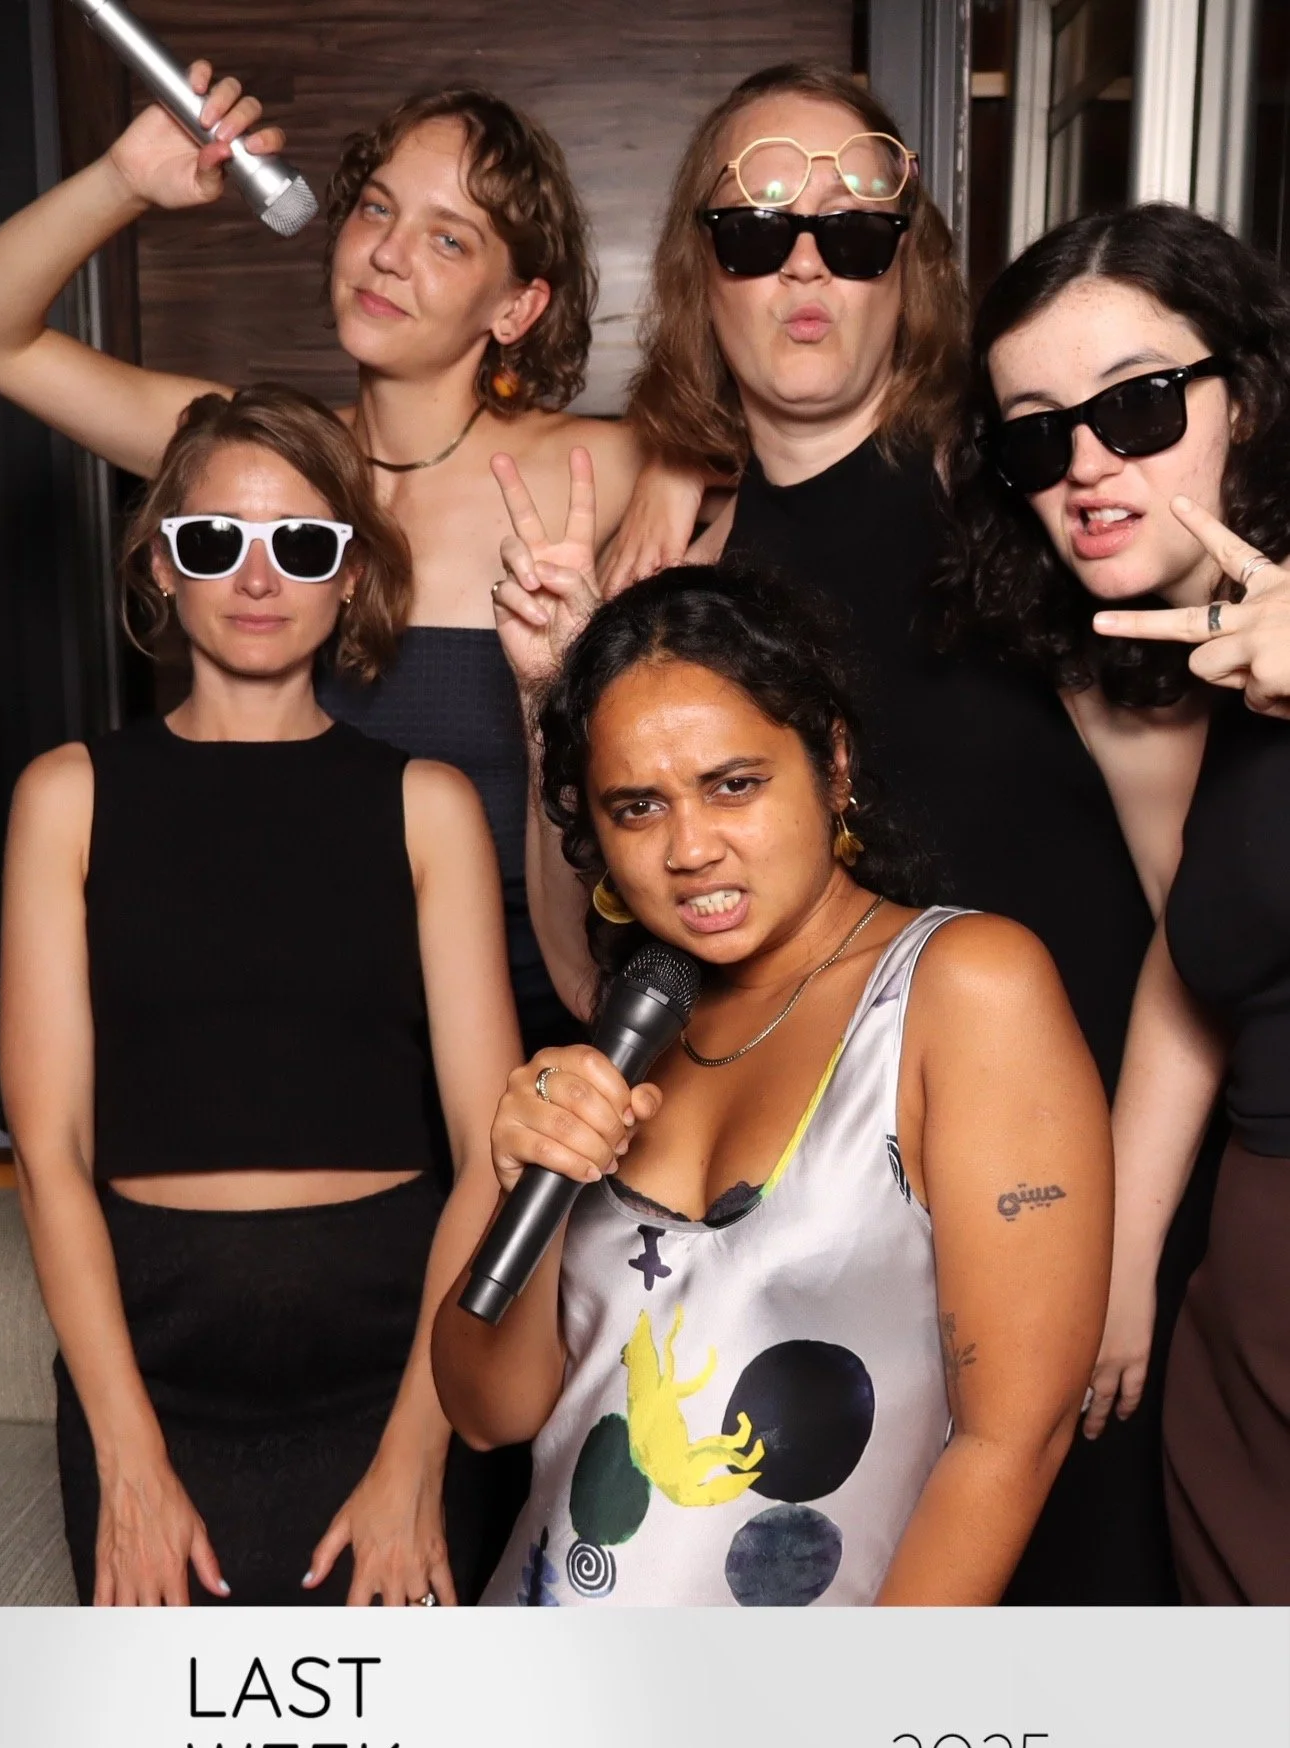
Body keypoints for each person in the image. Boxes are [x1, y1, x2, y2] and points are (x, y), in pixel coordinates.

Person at [488, 65, 1184, 1602]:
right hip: (812, 1260)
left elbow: (1185, 919)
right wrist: (553, 706)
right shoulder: (685, 567)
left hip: (1069, 1226)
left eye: (850, 233)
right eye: (755, 231)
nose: (804, 267)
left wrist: (1125, 1249)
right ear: (699, 276)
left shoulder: (1021, 521)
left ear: (907, 271)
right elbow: (600, 952)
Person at [431, 565, 1112, 1607]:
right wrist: (519, 1169)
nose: (690, 848)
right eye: (637, 806)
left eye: (732, 784)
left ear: (832, 763)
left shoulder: (961, 988)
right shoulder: (630, 1028)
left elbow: (1009, 1445)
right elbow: (489, 1412)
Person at [0, 65, 680, 1053]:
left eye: (447, 237)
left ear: (514, 307)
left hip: (534, 1027)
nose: (387, 255)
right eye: (375, 209)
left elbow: (791, 447)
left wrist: (687, 462)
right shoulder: (252, 460)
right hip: (296, 1022)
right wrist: (123, 181)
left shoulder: (597, 471)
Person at [0, 384, 521, 1606]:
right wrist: (126, 1455)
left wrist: (414, 1453)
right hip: (150, 1371)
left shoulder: (425, 804)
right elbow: (50, 1151)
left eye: (299, 543)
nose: (255, 575)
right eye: (211, 541)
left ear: (349, 579)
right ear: (161, 570)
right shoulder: (65, 797)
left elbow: (491, 1151)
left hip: (399, 1365)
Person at [946, 205, 1290, 1604]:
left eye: (1138, 406)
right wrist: (1127, 1256)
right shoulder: (1151, 671)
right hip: (1244, 1320)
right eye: (1039, 433)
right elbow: (1193, 958)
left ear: (1246, 401)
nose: (1086, 464)